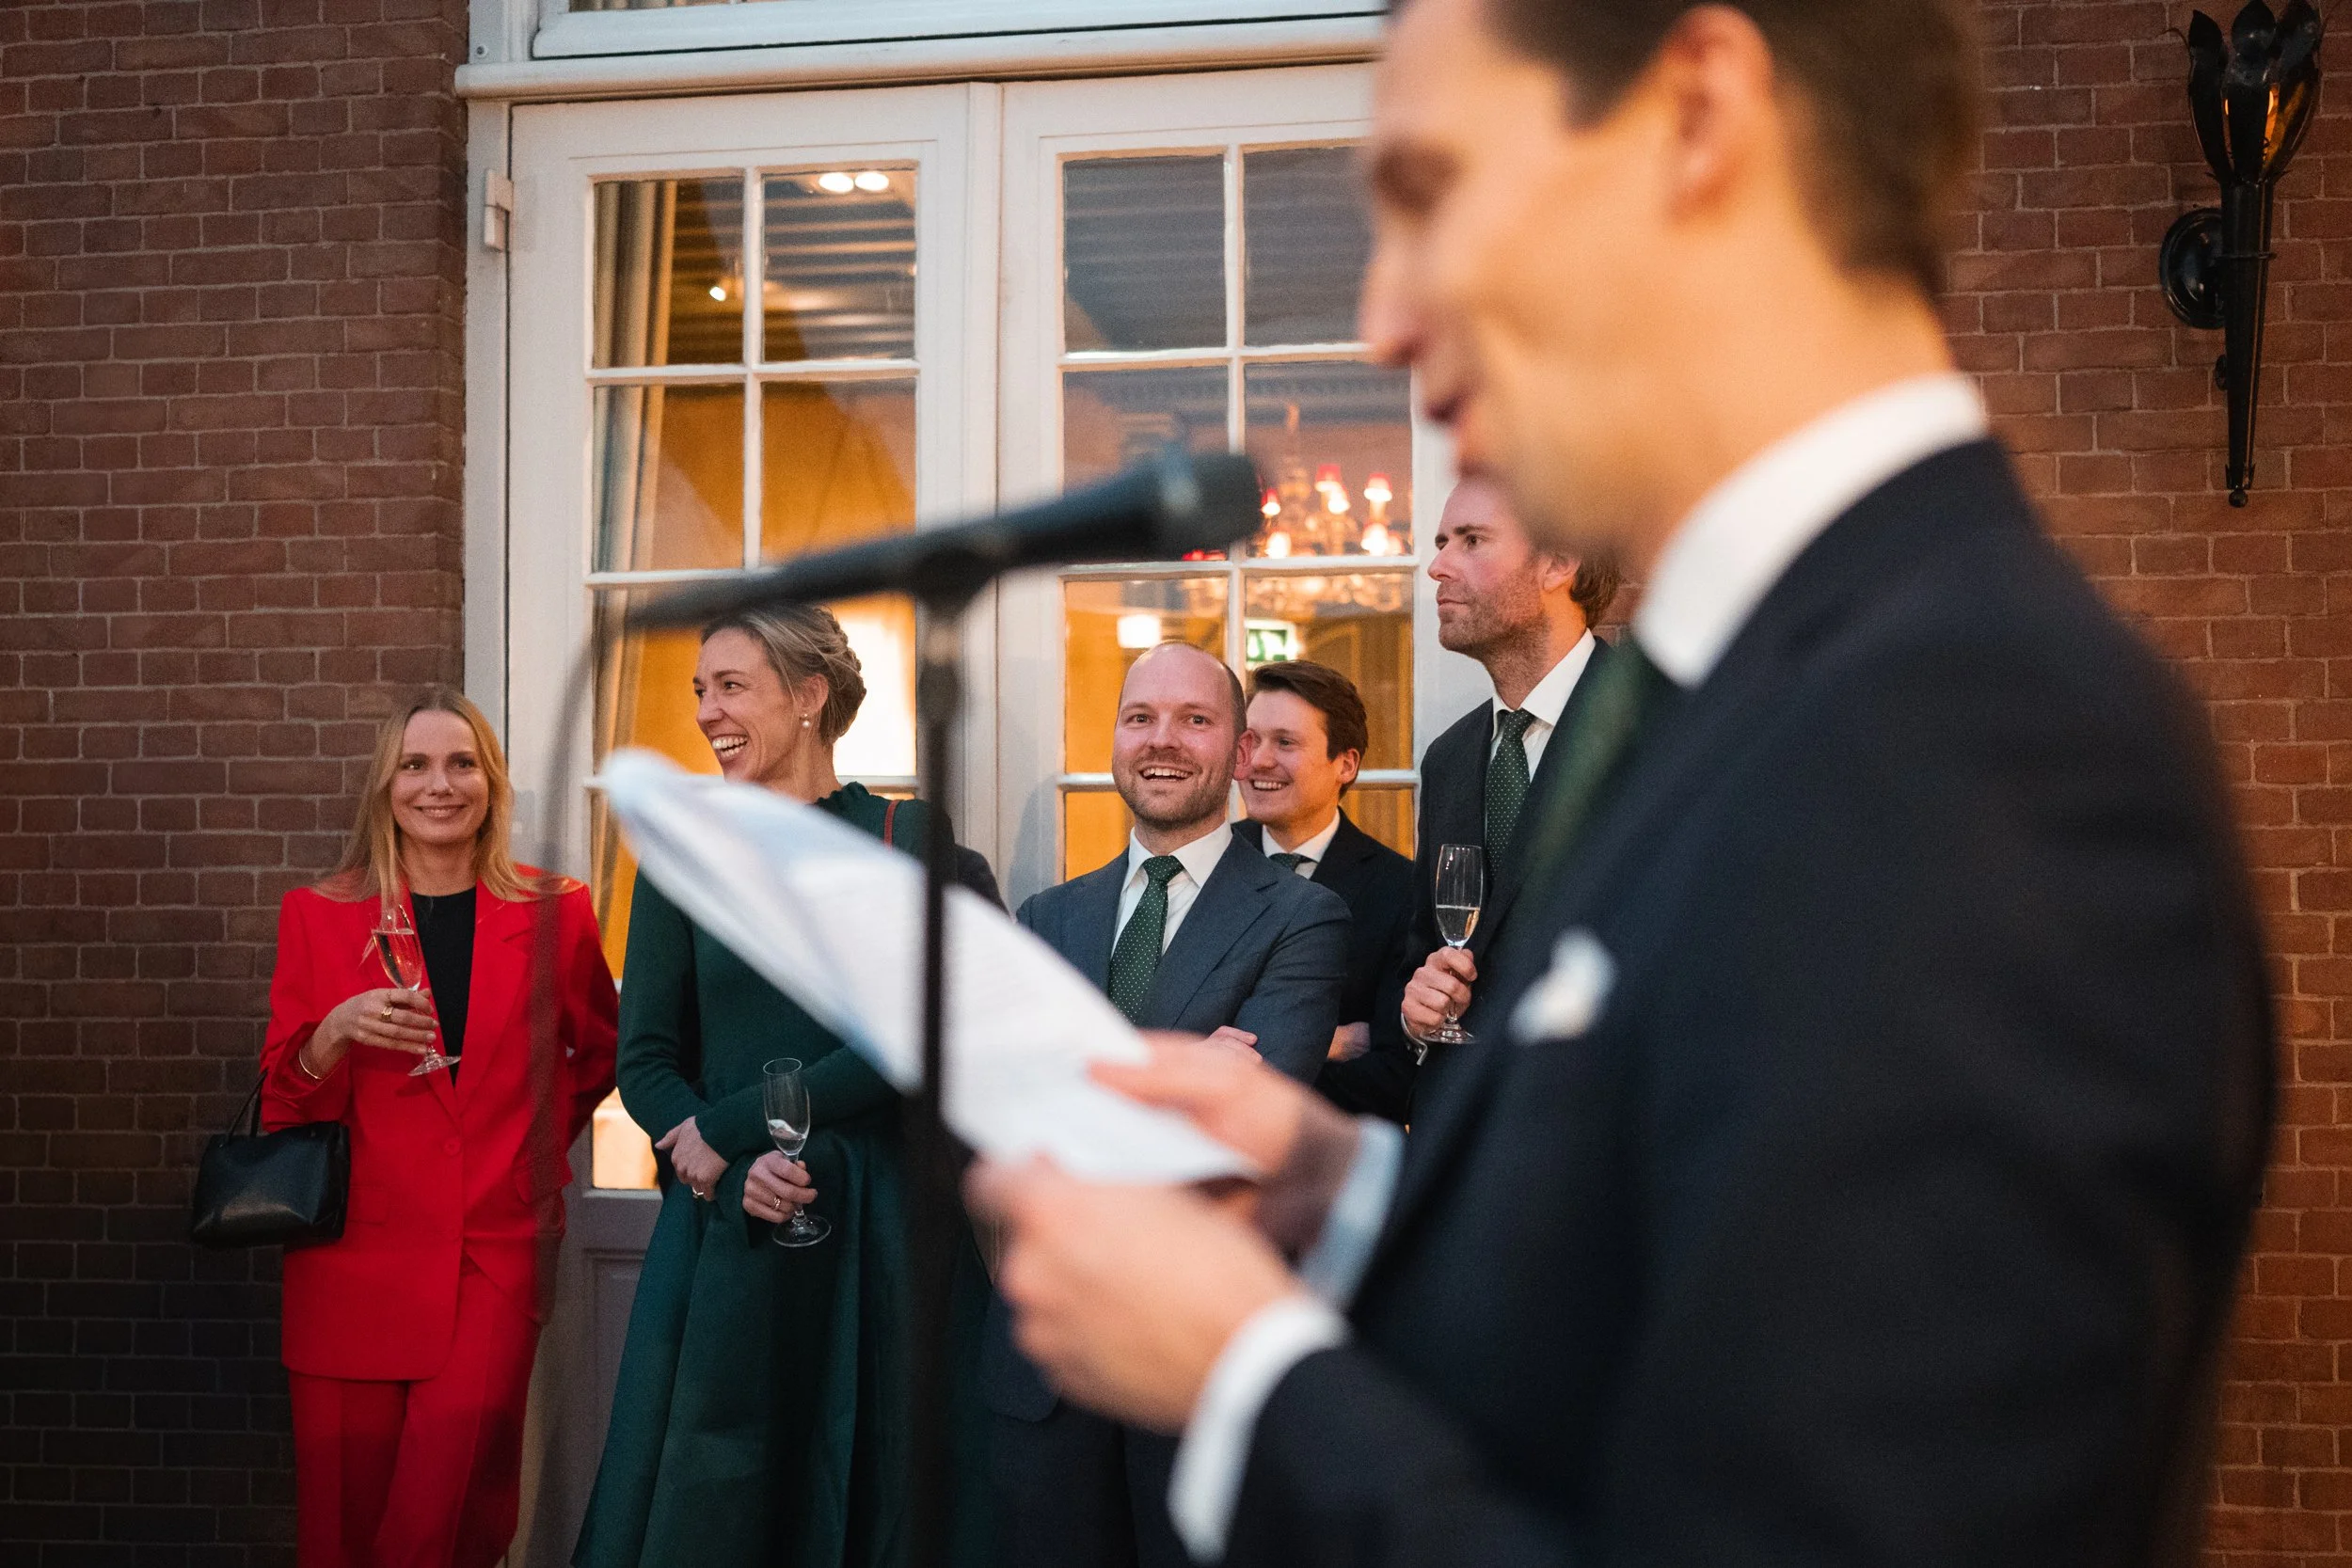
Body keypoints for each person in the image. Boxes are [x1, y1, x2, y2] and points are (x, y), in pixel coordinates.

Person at [969, 4, 2275, 1568]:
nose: (1385, 315)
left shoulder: (1982, 747)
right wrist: (1356, 1192)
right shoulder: (1760, 683)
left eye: (1434, 189)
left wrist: (1244, 1382)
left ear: (1697, 116)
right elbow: (1712, 1267)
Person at [574, 605, 997, 1568]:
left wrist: (726, 1128)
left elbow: (915, 1035)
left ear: (809, 697)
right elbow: (642, 1057)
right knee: (712, 1490)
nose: (708, 712)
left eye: (732, 686)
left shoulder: (902, 834)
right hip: (729, 1232)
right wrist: (721, 1161)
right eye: (700, 691)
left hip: (882, 1222)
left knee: (884, 1483)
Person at [986, 640, 1348, 1568]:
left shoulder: (1303, 917)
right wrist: (1185, 1070)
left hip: (1194, 1360)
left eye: (1195, 718)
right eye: (1140, 716)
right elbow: (996, 1118)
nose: (1162, 739)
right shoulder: (1043, 918)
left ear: (1237, 753)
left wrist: (1072, 1077)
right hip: (1044, 1363)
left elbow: (1245, 1126)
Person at [262, 687, 618, 1568]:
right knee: (342, 1530)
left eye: (462, 764)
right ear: (385, 786)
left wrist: (525, 1154)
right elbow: (283, 1104)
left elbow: (601, 1055)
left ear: (491, 784)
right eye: (415, 765)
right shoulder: (320, 912)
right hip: (350, 1262)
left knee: (445, 1522)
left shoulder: (554, 911)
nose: (439, 785)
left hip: (491, 1253)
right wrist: (333, 1034)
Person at [1325, 478, 1620, 1123]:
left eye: (1472, 541)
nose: (1437, 565)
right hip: (1462, 1142)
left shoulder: (1653, 730)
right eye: (1439, 543)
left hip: (1595, 1138)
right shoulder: (1450, 757)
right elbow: (1425, 950)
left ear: (1558, 562)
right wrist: (1418, 1005)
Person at [1228, 660, 1416, 1110]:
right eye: (1250, 740)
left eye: (1286, 743)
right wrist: (1322, 1043)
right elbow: (1163, 1028)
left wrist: (1235, 1067)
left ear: (1345, 764)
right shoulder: (1205, 863)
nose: (1259, 760)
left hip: (1329, 1165)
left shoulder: (1402, 889)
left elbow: (1397, 1075)